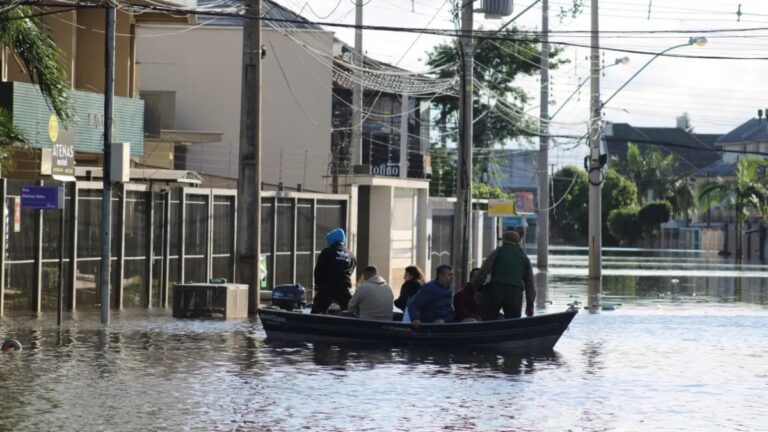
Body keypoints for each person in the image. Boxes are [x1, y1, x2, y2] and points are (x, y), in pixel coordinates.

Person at [473, 230, 535, 320]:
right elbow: (530, 283)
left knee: (489, 319)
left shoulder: (497, 252)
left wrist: (477, 288)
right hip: (515, 293)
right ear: (518, 241)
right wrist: (530, 305)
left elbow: (484, 271)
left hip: (496, 290)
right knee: (513, 322)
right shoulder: (524, 257)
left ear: (504, 239)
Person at [312, 228, 356, 314]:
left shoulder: (326, 252)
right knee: (349, 312)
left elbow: (318, 271)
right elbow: (351, 270)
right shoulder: (351, 255)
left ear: (333, 239)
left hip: (326, 288)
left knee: (316, 314)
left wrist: (318, 285)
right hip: (344, 288)